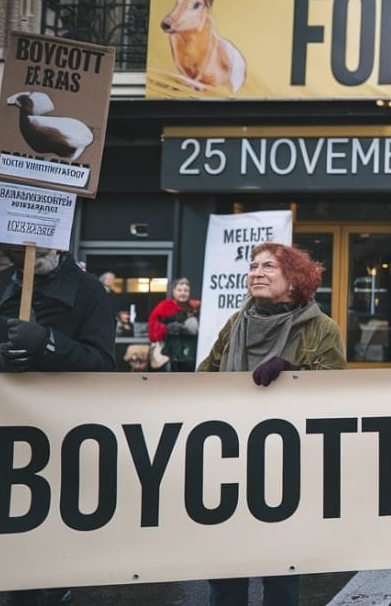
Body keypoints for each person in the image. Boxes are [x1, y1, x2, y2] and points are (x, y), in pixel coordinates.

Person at [0, 244, 115, 606]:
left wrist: (49, 344)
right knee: (16, 547)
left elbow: (103, 365)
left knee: (55, 539)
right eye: (15, 251)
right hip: (9, 442)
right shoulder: (4, 288)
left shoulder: (89, 291)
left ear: (56, 245)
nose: (26, 256)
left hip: (68, 438)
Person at [198, 242, 346, 606]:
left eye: (268, 267)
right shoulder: (236, 324)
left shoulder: (321, 329)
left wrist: (294, 375)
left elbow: (336, 392)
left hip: (286, 465)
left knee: (280, 573)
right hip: (229, 460)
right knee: (226, 570)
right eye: (252, 267)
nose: (256, 273)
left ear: (294, 280)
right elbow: (204, 377)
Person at [148, 277, 201, 372]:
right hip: (169, 354)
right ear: (173, 291)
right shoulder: (164, 307)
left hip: (191, 354)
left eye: (186, 290)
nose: (183, 293)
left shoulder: (196, 307)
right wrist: (166, 329)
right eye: (179, 290)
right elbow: (152, 327)